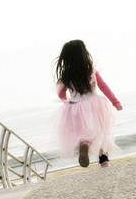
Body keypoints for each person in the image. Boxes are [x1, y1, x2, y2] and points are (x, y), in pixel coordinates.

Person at [51, 40, 123, 168]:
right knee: (101, 132)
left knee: (82, 133)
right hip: (95, 104)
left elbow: (60, 93)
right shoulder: (90, 70)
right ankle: (104, 161)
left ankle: (83, 145)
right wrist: (115, 102)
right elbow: (103, 86)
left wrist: (67, 101)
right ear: (84, 54)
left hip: (74, 107)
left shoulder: (66, 75)